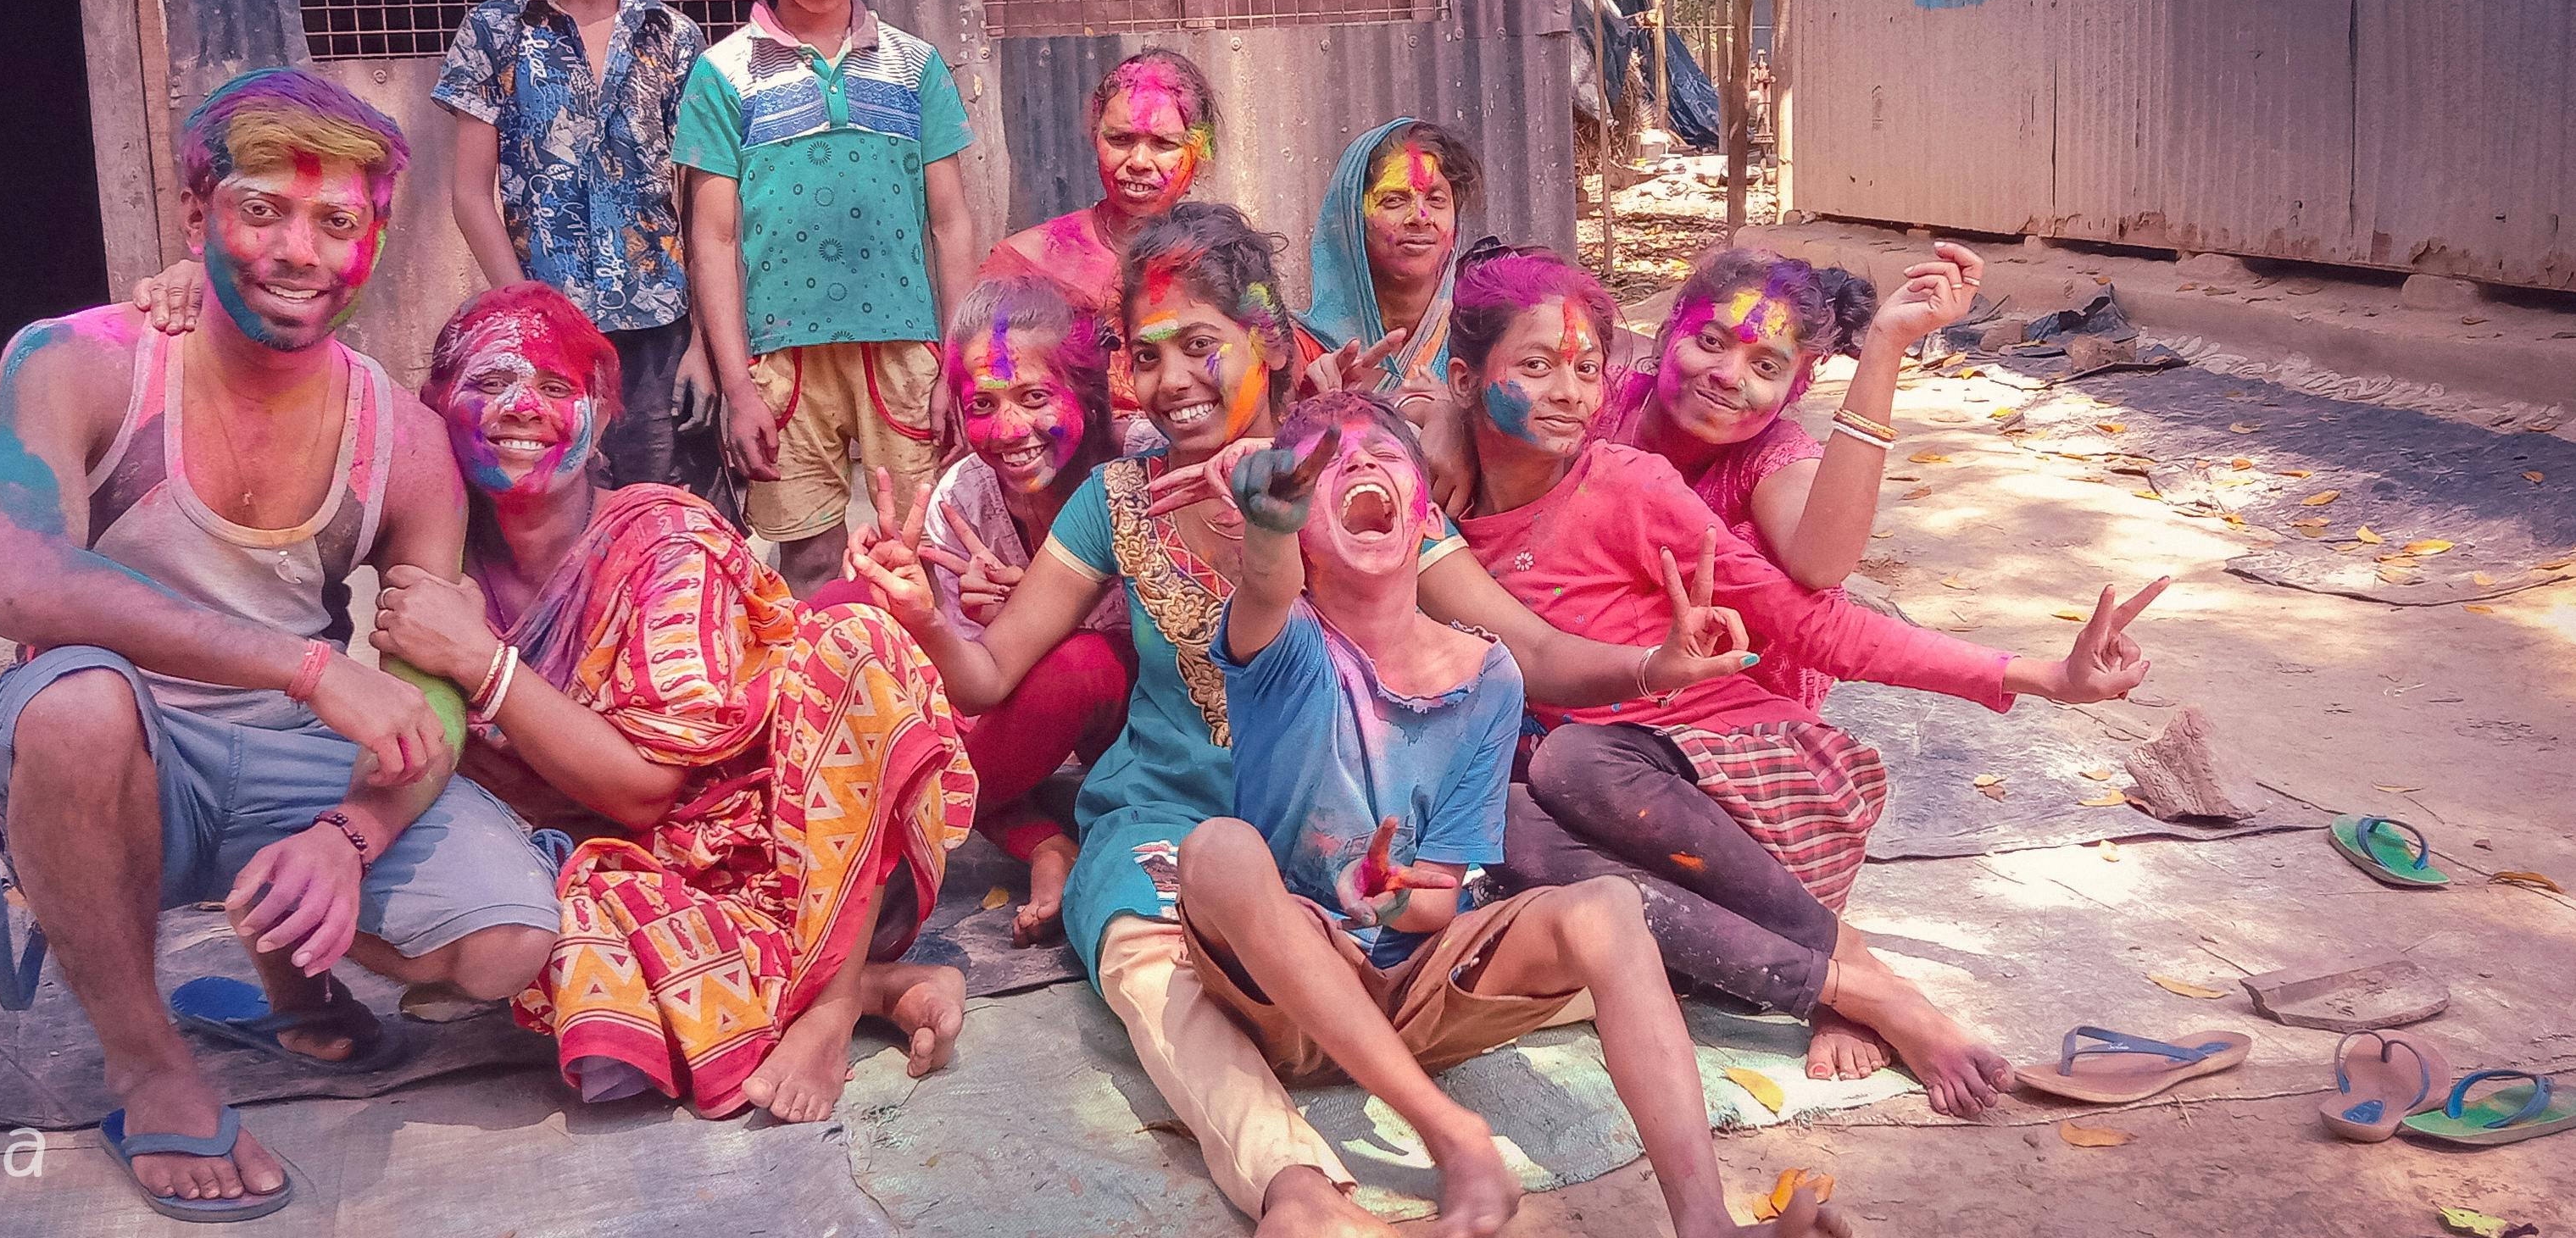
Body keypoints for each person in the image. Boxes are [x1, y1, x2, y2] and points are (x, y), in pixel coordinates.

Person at [840, 202, 1760, 1236]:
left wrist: (1653, 667)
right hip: (1171, 827)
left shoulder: (1356, 471)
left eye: (1200, 344)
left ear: (1270, 342)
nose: (1172, 379)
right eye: (1147, 355)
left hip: (1348, 846)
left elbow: (1531, 651)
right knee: (1154, 970)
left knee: (1584, 914)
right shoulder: (1118, 500)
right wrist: (922, 617)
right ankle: (1298, 1190)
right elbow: (987, 674)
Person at [0, 69, 560, 1222]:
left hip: (284, 758)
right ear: (196, 215)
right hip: (119, 749)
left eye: (335, 221)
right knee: (75, 707)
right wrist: (308, 666)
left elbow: (432, 695)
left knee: (506, 942)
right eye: (260, 210)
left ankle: (287, 978)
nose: (299, 251)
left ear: (373, 239)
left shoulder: (405, 440)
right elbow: (17, 579)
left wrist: (349, 833)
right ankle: (149, 1068)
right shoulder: (79, 360)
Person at [1432, 244, 2166, 1118]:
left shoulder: (1635, 481)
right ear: (1659, 344)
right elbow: (1401, 408)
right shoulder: (1473, 481)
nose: (1566, 390)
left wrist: (2037, 674)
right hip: (1632, 805)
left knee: (1573, 761)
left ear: (1799, 383)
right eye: (1539, 369)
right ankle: (1832, 983)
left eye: (1583, 370)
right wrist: (1431, 418)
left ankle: (1857, 974)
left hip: (1750, 779)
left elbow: (1818, 617)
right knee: (1501, 813)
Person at [1157, 390, 1844, 1238]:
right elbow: (1266, 582)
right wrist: (1264, 528)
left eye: (1386, 455)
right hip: (1281, 997)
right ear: (1301, 525)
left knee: (1607, 905)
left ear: (1425, 514)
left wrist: (1386, 892)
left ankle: (1704, 1224)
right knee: (1217, 847)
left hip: (1416, 991)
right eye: (1326, 465)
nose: (1360, 463)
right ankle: (1453, 1137)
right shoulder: (1286, 642)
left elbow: (1439, 899)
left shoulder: (1487, 676)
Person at [366, 282, 974, 1124]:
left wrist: (482, 664)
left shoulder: (664, 540)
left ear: (599, 416)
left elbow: (647, 789)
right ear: (435, 407)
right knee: (533, 937)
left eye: (554, 386)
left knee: (853, 641)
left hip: (786, 848)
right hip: (610, 864)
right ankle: (874, 987)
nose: (521, 407)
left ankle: (832, 1006)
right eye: (490, 381)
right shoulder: (435, 558)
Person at [678, 0, 977, 593]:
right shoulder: (722, 75)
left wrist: (956, 364)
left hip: (905, 356)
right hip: (780, 364)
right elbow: (712, 241)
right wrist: (736, 386)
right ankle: (820, 675)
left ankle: (911, 677)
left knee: (915, 552)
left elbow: (951, 224)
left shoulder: (915, 68)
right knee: (808, 559)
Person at [810, 275, 1135, 945]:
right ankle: (1041, 841)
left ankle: (873, 851)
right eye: (982, 404)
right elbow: (969, 697)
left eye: (1035, 396)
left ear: (1087, 390)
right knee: (847, 607)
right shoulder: (966, 495)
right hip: (1006, 711)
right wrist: (915, 610)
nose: (1009, 429)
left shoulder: (1143, 468)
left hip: (1134, 731)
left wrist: (1045, 612)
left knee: (1082, 663)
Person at [431, 0, 714, 490]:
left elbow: (703, 207)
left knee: (653, 505)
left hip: (658, 336)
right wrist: (528, 315)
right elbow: (469, 193)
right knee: (551, 503)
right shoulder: (492, 33)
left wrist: (704, 347)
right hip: (545, 336)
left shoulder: (676, 40)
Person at [1596, 243, 1985, 713]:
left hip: (1725, 713)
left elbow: (1820, 564)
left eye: (1766, 367)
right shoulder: (1590, 397)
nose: (1728, 376)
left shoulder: (1773, 456)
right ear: (1666, 334)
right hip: (1574, 677)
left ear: (1794, 390)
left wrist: (1885, 343)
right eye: (1711, 342)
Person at [982, 47, 1219, 414]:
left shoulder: (1223, 262)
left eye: (1164, 144)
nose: (1139, 162)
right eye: (1120, 140)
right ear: (1095, 138)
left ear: (1200, 154)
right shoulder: (1023, 264)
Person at [1292, 119, 1483, 424]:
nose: (1420, 217)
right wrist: (1310, 410)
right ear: (1353, 221)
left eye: (1436, 200)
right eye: (1394, 200)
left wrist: (1457, 417)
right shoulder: (1298, 354)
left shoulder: (1481, 340)